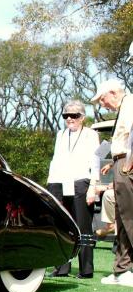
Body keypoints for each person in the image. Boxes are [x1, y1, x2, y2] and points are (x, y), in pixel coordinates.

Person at [45, 100, 100, 278]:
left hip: (81, 182)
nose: (69, 118)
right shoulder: (60, 134)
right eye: (66, 115)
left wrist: (93, 187)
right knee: (62, 226)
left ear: (82, 117)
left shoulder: (91, 135)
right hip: (59, 182)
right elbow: (55, 159)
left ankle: (86, 269)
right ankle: (62, 267)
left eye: (74, 115)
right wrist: (50, 183)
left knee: (83, 226)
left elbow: (96, 162)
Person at [93, 78, 133, 286]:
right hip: (120, 163)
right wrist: (115, 163)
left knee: (129, 218)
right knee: (122, 220)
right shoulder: (124, 106)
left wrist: (129, 163)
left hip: (127, 164)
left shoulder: (130, 104)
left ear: (113, 93)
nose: (102, 104)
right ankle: (121, 270)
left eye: (102, 99)